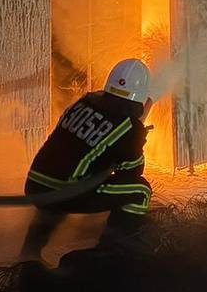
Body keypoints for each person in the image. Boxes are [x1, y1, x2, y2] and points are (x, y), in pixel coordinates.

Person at [19, 58, 154, 262]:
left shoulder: (85, 101)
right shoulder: (129, 128)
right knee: (140, 191)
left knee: (64, 184)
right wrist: (137, 142)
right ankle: (110, 255)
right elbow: (132, 173)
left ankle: (29, 253)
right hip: (66, 192)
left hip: (36, 184)